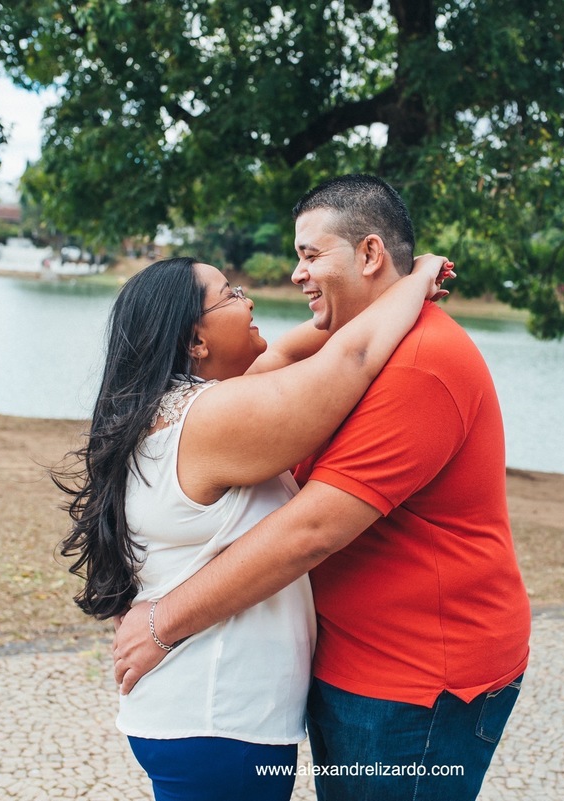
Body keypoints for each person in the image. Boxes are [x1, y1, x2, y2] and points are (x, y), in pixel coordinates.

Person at [113, 175, 532, 801]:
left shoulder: (419, 363)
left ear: (368, 255)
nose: (293, 275)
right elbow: (310, 359)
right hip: (344, 671)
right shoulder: (273, 386)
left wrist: (162, 624)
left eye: (311, 255)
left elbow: (311, 530)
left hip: (415, 680)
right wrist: (407, 285)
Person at [55, 251, 452, 800]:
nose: (249, 299)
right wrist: (417, 277)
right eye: (231, 295)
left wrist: (367, 303)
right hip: (219, 718)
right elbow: (354, 357)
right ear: (196, 340)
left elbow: (294, 349)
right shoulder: (210, 420)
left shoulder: (174, 406)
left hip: (196, 713)